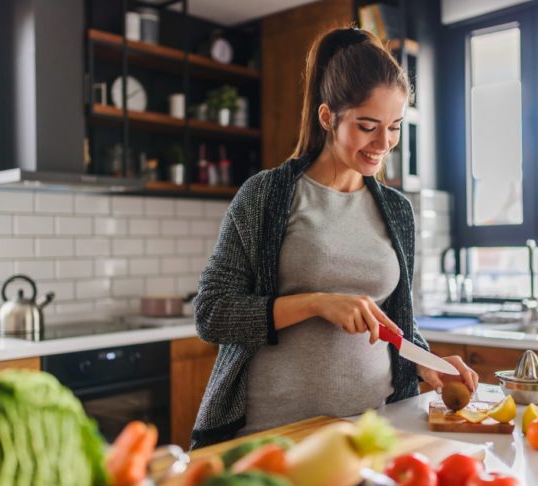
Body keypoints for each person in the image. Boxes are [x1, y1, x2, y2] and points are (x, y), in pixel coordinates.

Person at [191, 27, 478, 449]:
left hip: (371, 433)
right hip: (273, 437)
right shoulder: (266, 196)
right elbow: (212, 313)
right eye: (367, 126)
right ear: (328, 117)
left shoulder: (397, 211)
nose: (384, 144)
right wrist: (316, 303)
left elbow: (394, 322)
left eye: (395, 127)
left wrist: (428, 363)